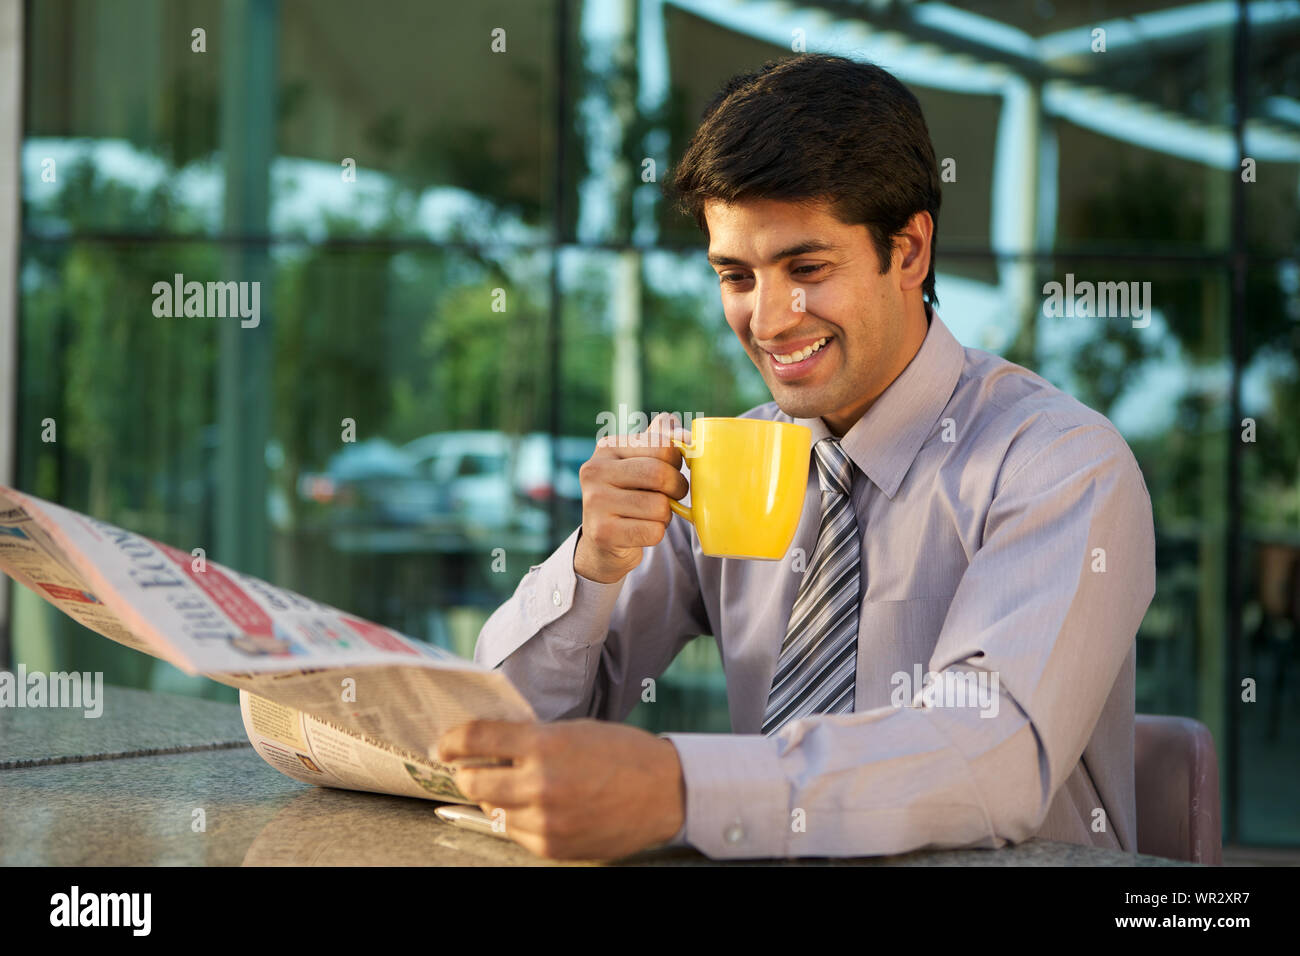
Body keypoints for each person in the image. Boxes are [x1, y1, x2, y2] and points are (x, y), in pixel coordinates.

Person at [435, 53, 1156, 862]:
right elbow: (500, 728)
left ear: (910, 249)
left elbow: (985, 757)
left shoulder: (1059, 464)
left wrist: (678, 787)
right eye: (736, 275)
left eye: (806, 268)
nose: (770, 319)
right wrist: (592, 567)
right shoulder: (726, 463)